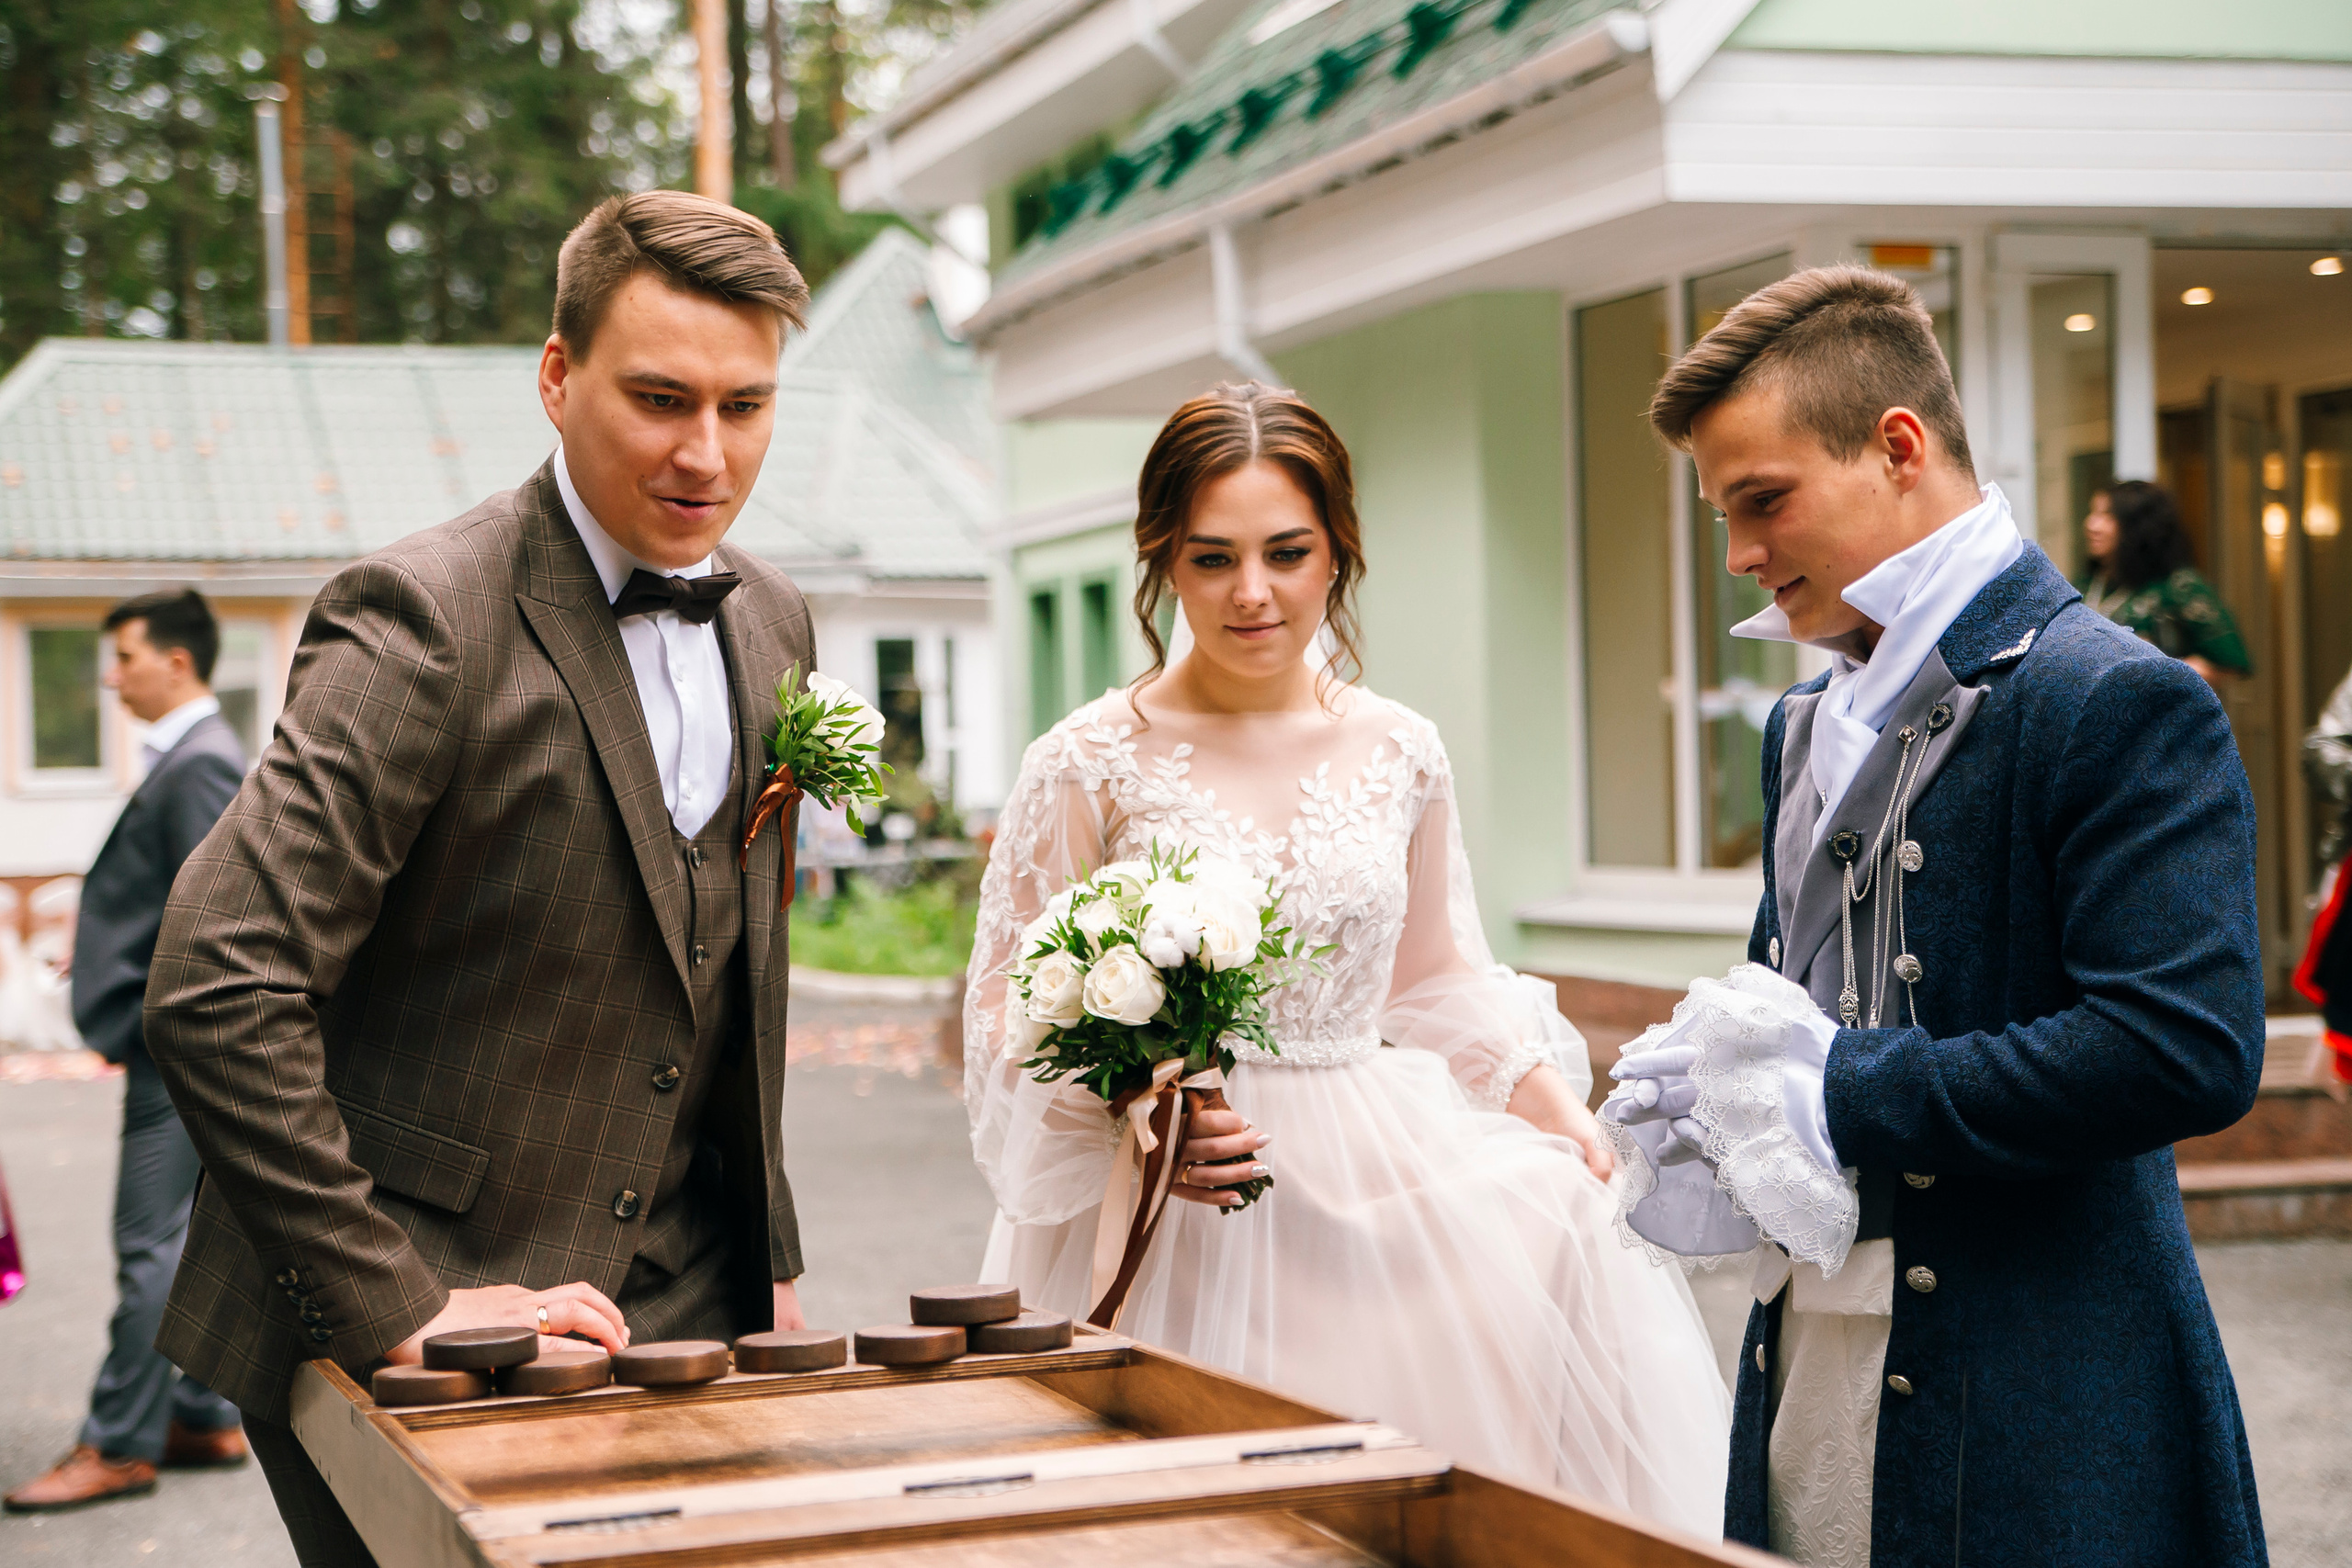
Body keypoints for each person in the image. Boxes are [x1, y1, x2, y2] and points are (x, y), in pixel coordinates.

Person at [142, 192, 818, 1568]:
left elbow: (736, 972)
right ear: (557, 377)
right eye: (660, 398)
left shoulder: (774, 615)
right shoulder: (422, 619)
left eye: (746, 405)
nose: (708, 454)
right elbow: (218, 977)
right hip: (413, 1296)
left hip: (683, 1292)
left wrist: (772, 1259)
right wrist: (397, 1301)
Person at [963, 382, 1732, 1533]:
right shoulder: (1085, 762)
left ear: (1337, 556)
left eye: (1286, 551)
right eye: (1212, 557)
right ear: (1163, 560)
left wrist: (1546, 1107)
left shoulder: (1400, 749)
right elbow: (1010, 1007)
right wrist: (1135, 1101)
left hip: (1381, 1164)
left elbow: (1434, 976)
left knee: (1414, 1500)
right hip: (1189, 1196)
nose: (1252, 592)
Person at [1601, 265, 2266, 1567]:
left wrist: (1841, 1088)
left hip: (2033, 1397)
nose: (1740, 556)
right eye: (1723, 516)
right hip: (1804, 1364)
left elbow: (2184, 1045)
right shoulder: (1800, 725)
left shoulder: (2111, 697)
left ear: (1898, 445)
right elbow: (1792, 1011)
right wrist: (1716, 1098)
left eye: (1764, 501)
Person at [4, 590, 250, 1514]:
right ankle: (199, 1409)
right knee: (179, 1245)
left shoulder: (198, 765)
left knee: (151, 1244)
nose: (110, 678)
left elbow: (218, 919)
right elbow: (175, 899)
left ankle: (118, 1444)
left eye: (124, 657)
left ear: (177, 663)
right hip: (170, 1038)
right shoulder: (189, 760)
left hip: (175, 1049)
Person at [2078, 479, 2252, 684]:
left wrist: (2156, 667)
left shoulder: (2177, 586)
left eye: (2106, 516)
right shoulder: (2087, 585)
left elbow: (2230, 663)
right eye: (2093, 513)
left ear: (2136, 526)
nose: (2091, 525)